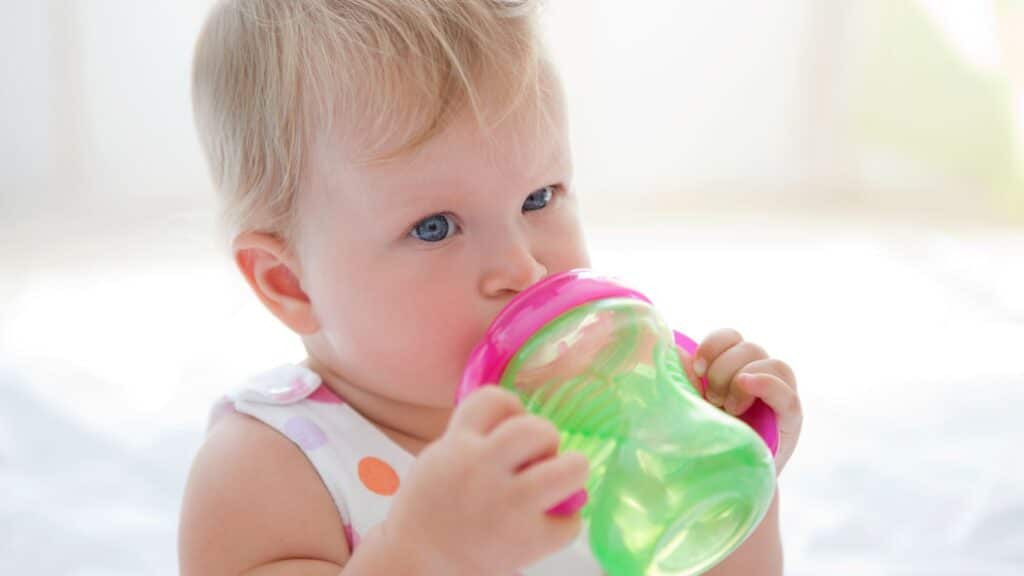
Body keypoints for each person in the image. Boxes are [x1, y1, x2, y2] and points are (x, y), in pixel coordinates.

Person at [179, 1, 803, 574]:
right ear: (291, 283)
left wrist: (727, 478)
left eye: (539, 197)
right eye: (434, 227)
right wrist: (424, 554)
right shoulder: (269, 469)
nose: (523, 267)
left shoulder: (605, 412)